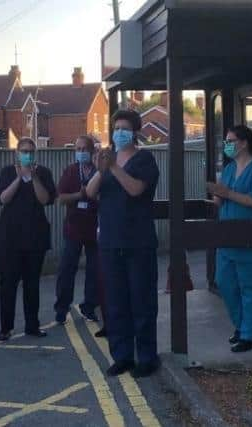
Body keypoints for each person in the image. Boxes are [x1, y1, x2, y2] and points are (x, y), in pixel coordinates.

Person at [87, 110, 160, 378]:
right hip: (110, 242)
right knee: (116, 304)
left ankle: (147, 357)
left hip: (138, 244)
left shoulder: (144, 159)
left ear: (135, 132)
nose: (119, 132)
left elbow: (135, 189)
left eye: (124, 128)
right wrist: (101, 170)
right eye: (116, 127)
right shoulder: (108, 160)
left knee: (141, 303)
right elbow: (90, 192)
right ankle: (122, 356)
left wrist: (114, 168)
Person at [206, 125, 252, 353]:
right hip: (228, 236)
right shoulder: (228, 169)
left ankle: (250, 334)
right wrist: (216, 194)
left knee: (250, 287)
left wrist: (228, 194)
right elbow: (221, 200)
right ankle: (241, 326)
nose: (227, 145)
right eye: (226, 141)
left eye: (231, 141)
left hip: (250, 237)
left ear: (243, 143)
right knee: (226, 283)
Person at [0, 137, 57, 341]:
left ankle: (32, 325)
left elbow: (45, 199)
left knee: (32, 284)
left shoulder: (44, 173)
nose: (27, 155)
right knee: (8, 284)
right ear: (17, 153)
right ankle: (6, 327)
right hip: (9, 238)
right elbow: (3, 198)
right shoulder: (7, 172)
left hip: (35, 237)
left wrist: (33, 177)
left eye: (30, 151)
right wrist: (19, 178)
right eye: (24, 151)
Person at [54, 135, 99, 324]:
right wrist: (78, 195)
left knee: (95, 269)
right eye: (77, 149)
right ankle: (61, 308)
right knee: (67, 268)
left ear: (92, 151)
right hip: (74, 227)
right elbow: (60, 198)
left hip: (95, 227)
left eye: (84, 149)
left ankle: (89, 307)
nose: (80, 153)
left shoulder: (99, 171)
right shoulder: (71, 171)